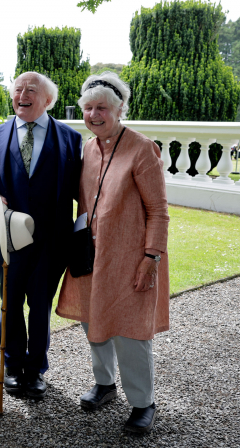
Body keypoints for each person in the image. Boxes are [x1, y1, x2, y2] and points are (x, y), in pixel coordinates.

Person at [56, 72, 170, 433]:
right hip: (90, 256)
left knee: (130, 332)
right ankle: (104, 384)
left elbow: (158, 211)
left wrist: (151, 257)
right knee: (94, 321)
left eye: (102, 108)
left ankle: (143, 403)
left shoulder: (141, 148)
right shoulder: (88, 148)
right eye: (88, 108)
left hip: (131, 257)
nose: (93, 114)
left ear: (120, 109)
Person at [0, 72, 82, 399]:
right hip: (7, 239)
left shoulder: (71, 139)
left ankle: (35, 369)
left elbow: (84, 188)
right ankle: (11, 366)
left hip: (52, 241)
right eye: (18, 89)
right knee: (9, 302)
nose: (22, 94)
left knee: (40, 306)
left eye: (31, 90)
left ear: (48, 100)